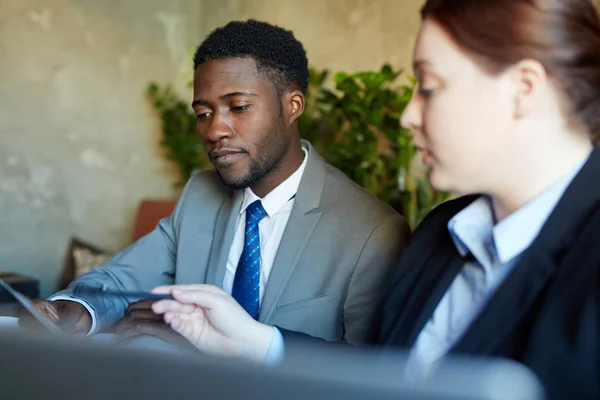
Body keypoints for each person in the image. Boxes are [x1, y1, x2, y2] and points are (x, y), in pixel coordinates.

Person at [148, 1, 600, 398]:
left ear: (523, 89)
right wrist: (261, 344)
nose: (408, 116)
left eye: (429, 86)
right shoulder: (438, 236)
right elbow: (380, 377)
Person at [26, 20, 410, 346]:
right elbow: (123, 276)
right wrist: (77, 309)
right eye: (203, 112)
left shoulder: (371, 232)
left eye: (238, 107)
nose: (214, 129)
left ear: (293, 106)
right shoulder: (200, 196)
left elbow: (367, 372)